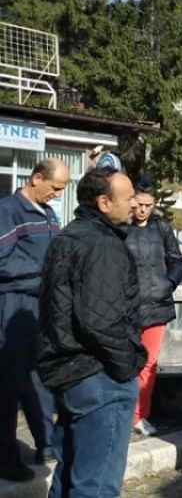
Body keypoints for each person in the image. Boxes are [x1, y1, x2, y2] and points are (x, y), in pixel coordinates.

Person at [37, 167, 146, 497]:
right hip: (98, 375)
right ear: (103, 202)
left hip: (72, 373)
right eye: (127, 198)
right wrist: (128, 366)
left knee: (69, 474)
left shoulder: (69, 236)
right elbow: (100, 322)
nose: (134, 204)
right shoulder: (102, 245)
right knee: (95, 484)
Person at [0, 158, 68, 481]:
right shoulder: (8, 212)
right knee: (9, 385)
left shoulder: (50, 214)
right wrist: (43, 276)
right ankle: (6, 458)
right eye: (55, 188)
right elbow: (2, 263)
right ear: (35, 178)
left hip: (42, 309)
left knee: (41, 378)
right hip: (14, 308)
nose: (57, 194)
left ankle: (47, 444)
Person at [125, 177, 182, 437]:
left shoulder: (161, 227)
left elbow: (177, 262)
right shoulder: (120, 227)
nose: (143, 210)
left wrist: (168, 283)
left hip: (156, 304)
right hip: (126, 307)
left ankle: (140, 415)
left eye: (148, 205)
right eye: (139, 204)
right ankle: (123, 413)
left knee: (148, 363)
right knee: (124, 361)